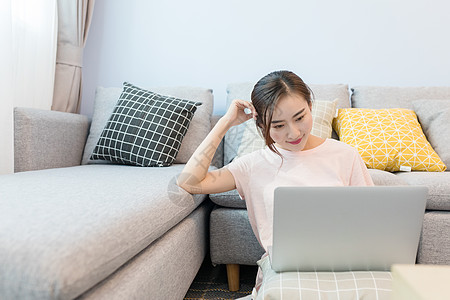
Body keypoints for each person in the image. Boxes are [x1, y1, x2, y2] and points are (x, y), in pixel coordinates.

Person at [177, 70, 374, 297]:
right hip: (286, 269)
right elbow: (190, 182)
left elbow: (368, 220)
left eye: (299, 117)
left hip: (346, 262)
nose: (294, 133)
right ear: (262, 126)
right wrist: (225, 122)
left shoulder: (345, 154)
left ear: (310, 106)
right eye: (278, 126)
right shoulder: (251, 165)